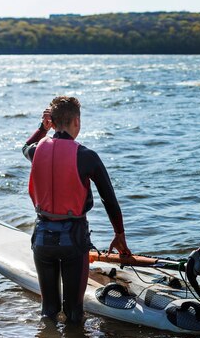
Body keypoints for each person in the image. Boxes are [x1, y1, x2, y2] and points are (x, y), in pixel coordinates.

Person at [22, 96, 131, 323]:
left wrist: (42, 129)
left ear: (51, 121)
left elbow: (25, 146)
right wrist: (119, 235)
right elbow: (109, 199)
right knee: (74, 313)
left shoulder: (36, 151)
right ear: (77, 122)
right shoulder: (86, 156)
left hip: (42, 238)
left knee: (48, 310)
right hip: (73, 240)